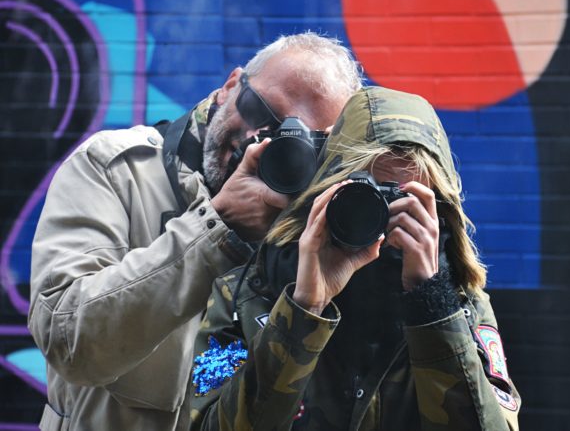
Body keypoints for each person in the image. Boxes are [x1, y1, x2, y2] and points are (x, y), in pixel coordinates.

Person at [28, 32, 363, 431]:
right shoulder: (116, 170)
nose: (259, 141)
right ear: (229, 87)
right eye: (260, 110)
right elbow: (67, 341)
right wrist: (216, 228)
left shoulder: (313, 228)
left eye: (297, 140)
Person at [190, 86, 521, 430]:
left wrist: (432, 305)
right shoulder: (246, 297)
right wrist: (303, 309)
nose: (382, 217)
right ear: (324, 193)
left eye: (404, 202)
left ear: (438, 212)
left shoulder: (462, 309)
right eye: (366, 195)